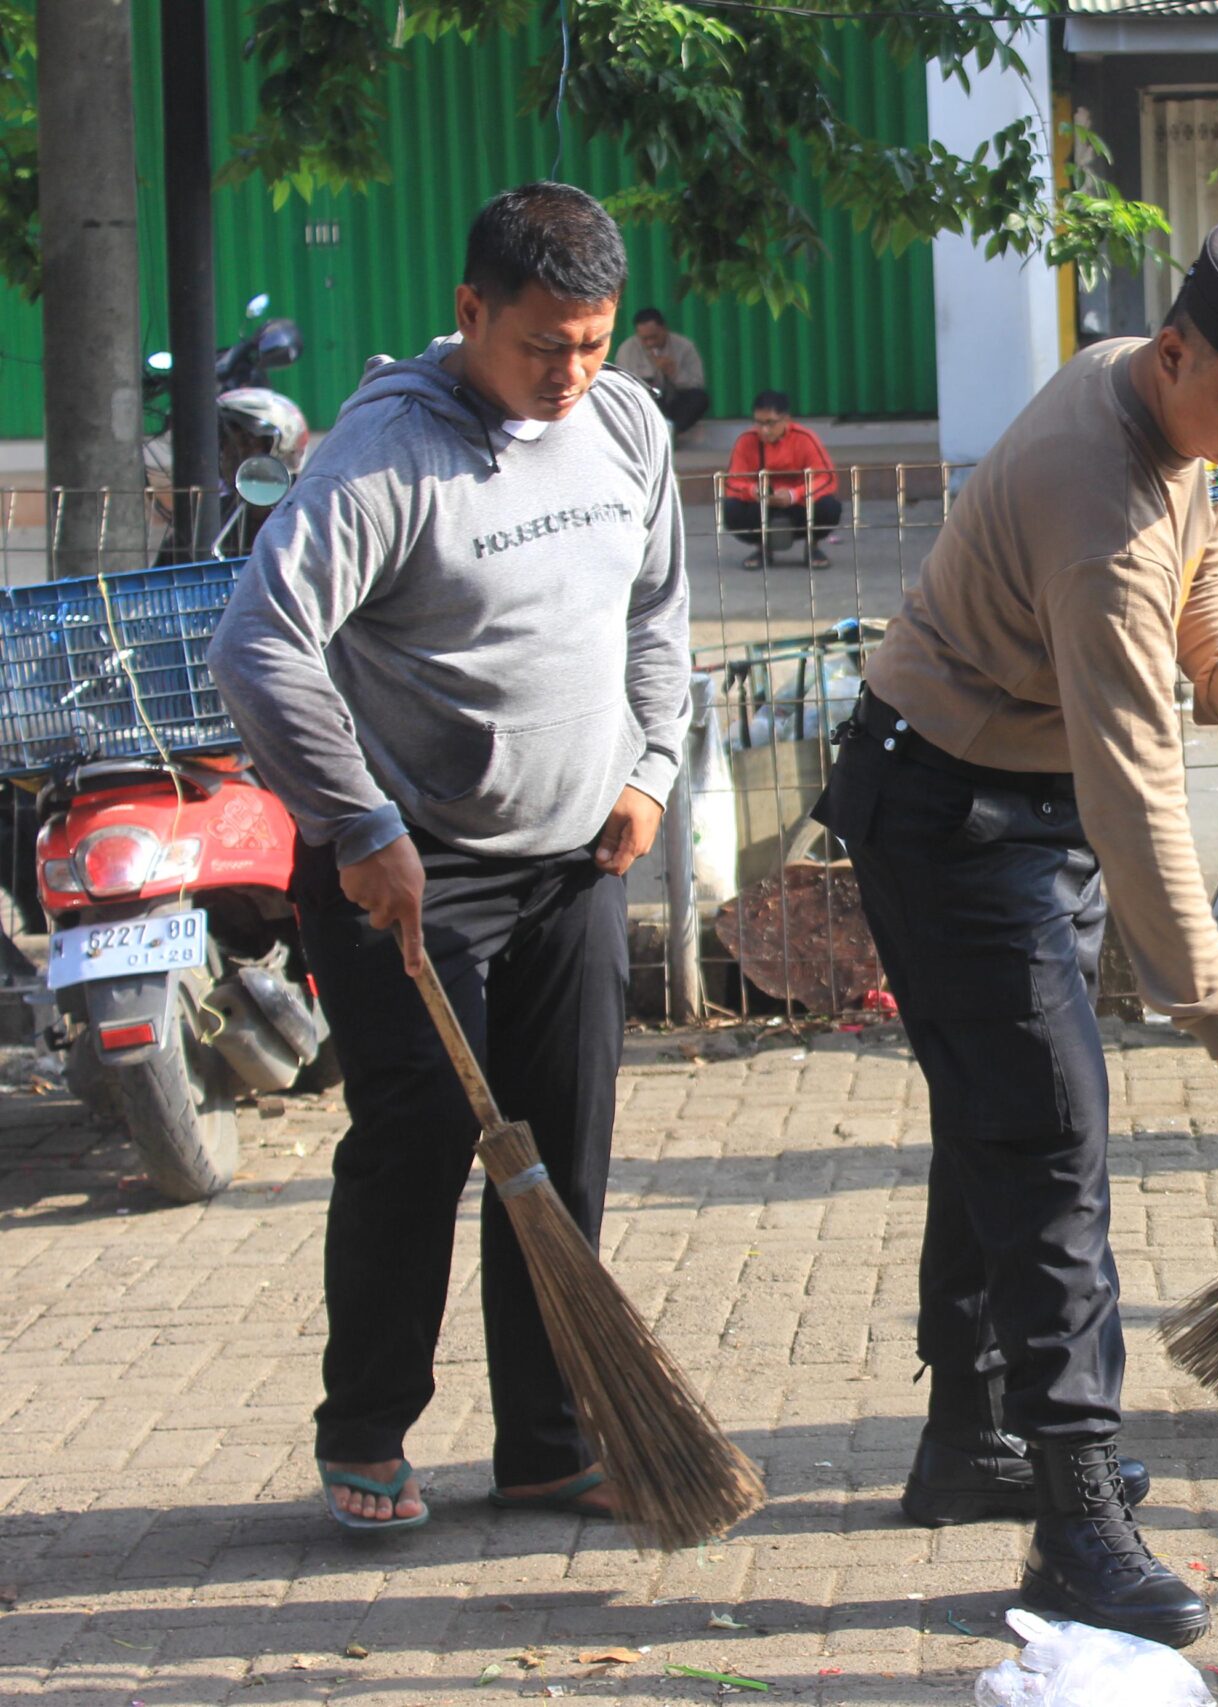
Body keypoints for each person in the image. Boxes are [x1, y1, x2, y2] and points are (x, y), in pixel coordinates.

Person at [813, 218, 1218, 1646]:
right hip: (949, 813)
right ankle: (1072, 1523)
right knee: (1052, 1132)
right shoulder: (1094, 503)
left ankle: (969, 1435)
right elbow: (1136, 794)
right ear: (1177, 353)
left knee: (1002, 1113)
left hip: (1011, 795)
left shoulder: (1166, 407)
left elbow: (1208, 553)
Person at [209, 183, 690, 1530]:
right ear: (470, 310)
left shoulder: (625, 426)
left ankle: (547, 1439)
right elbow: (257, 646)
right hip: (405, 863)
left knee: (565, 1151)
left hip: (572, 860)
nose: (572, 373)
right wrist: (358, 827)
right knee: (417, 1136)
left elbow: (657, 610)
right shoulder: (385, 455)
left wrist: (649, 767)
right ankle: (366, 1425)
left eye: (595, 342)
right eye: (545, 344)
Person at [720, 391, 843, 568]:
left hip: (799, 504)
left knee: (829, 506)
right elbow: (732, 482)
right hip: (762, 504)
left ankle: (812, 546)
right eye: (759, 423)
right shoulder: (745, 441)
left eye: (770, 423)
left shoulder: (805, 439)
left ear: (786, 419)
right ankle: (762, 548)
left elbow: (826, 478)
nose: (764, 430)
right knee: (732, 509)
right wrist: (752, 492)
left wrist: (795, 494)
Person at [616, 307, 709, 435]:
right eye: (645, 339)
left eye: (654, 337)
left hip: (676, 402)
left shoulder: (684, 347)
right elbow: (624, 388)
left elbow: (697, 383)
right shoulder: (627, 350)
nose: (650, 343)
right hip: (647, 403)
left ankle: (672, 432)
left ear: (664, 329)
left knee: (699, 399)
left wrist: (674, 373)